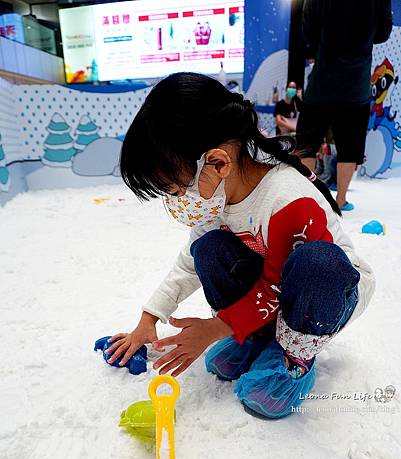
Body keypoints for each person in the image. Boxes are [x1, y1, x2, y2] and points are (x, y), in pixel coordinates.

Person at [106, 72, 375, 419]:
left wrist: (215, 328)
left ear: (218, 162)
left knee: (315, 263)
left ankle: (293, 360)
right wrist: (149, 318)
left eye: (175, 190)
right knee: (208, 249)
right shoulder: (217, 195)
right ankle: (257, 338)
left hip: (326, 293)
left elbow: (277, 287)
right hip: (274, 282)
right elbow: (189, 264)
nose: (176, 202)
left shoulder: (288, 201)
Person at [297, 0, 393, 211]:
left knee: (307, 143)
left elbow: (307, 30)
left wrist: (319, 45)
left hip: (322, 81)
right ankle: (340, 200)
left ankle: (305, 199)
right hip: (355, 85)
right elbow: (382, 34)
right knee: (349, 147)